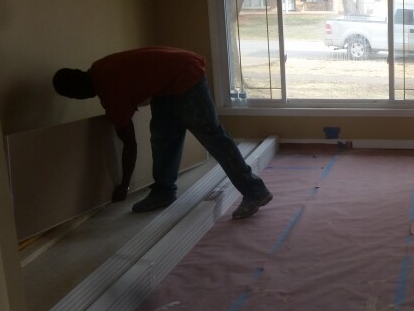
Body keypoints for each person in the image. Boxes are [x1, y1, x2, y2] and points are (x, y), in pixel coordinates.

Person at [53, 46, 273, 219]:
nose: (78, 99)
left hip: (185, 75)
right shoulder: (99, 69)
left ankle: (255, 191)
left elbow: (129, 144)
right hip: (166, 84)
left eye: (73, 97)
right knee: (163, 138)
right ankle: (163, 192)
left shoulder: (109, 88)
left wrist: (124, 185)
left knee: (213, 137)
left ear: (77, 91)